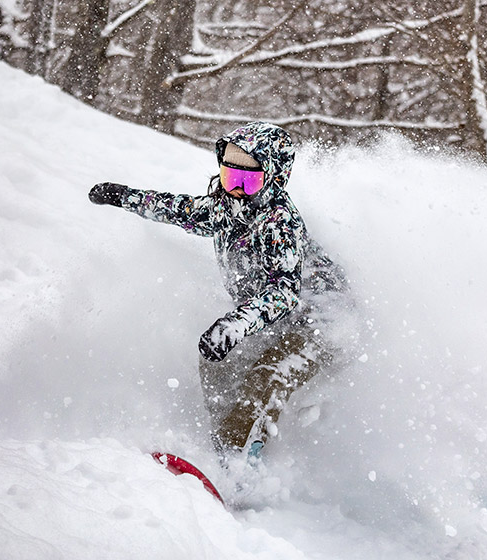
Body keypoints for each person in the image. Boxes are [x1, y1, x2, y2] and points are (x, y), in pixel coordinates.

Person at [88, 121, 345, 460]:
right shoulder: (224, 211)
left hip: (323, 323)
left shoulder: (279, 222)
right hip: (274, 320)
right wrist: (123, 196)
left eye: (248, 180)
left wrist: (237, 323)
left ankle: (239, 462)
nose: (235, 188)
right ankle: (223, 442)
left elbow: (284, 291)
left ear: (273, 178)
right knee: (217, 360)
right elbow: (175, 208)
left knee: (265, 379)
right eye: (229, 176)